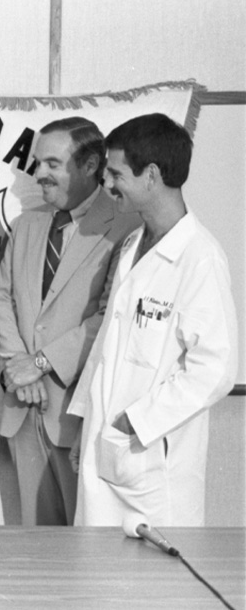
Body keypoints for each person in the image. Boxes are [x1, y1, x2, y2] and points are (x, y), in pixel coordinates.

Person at [68, 113, 237, 527]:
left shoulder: (199, 258)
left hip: (151, 459)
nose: (105, 185)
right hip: (107, 445)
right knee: (95, 579)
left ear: (152, 175)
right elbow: (108, 345)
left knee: (155, 585)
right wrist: (84, 422)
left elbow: (215, 370)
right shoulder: (132, 245)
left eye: (115, 173)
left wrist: (137, 422)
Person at [0, 117, 141, 526]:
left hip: (77, 416)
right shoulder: (27, 226)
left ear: (90, 165)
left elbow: (110, 317)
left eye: (52, 164)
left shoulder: (128, 229)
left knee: (82, 553)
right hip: (22, 409)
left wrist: (40, 363)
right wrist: (23, 368)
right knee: (30, 551)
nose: (39, 175)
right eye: (38, 164)